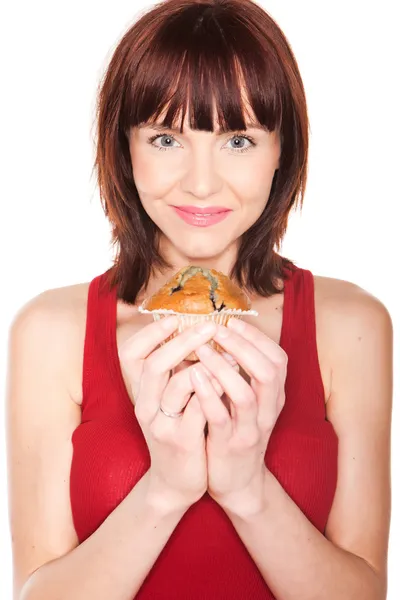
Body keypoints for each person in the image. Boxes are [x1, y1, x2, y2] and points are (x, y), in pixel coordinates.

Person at [6, 1, 392, 599]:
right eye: (166, 137)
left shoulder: (351, 325)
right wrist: (166, 487)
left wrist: (247, 489)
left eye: (238, 139)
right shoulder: (49, 331)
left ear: (282, 150)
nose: (202, 182)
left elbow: (364, 593)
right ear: (124, 147)